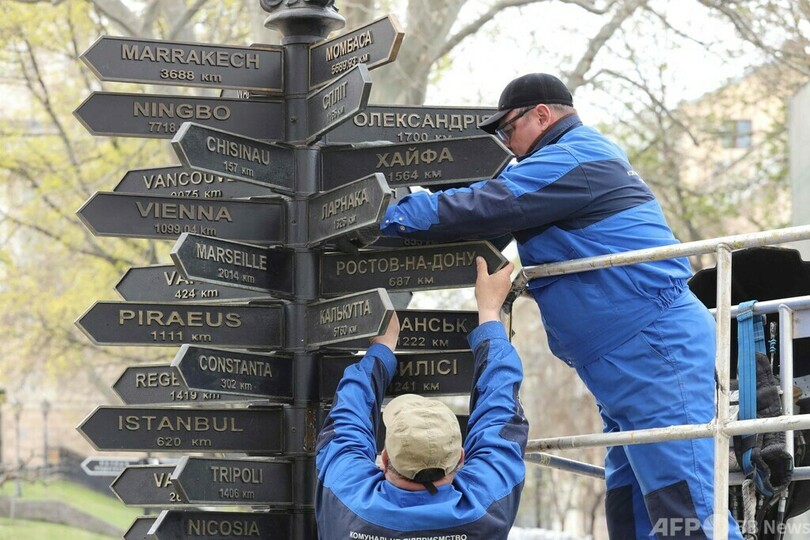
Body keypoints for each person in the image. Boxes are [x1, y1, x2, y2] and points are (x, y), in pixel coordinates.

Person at [379, 73, 743, 539]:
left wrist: (386, 213)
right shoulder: (564, 160)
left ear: (542, 115)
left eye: (507, 130)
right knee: (631, 510)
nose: (504, 145)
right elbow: (489, 192)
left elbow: (488, 204)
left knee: (686, 511)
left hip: (654, 350)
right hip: (628, 361)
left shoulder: (573, 157)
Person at [315, 257, 528, 539]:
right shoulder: (486, 508)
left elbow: (345, 424)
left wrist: (382, 350)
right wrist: (489, 313)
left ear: (386, 456)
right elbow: (500, 418)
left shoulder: (348, 500)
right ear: (461, 457)